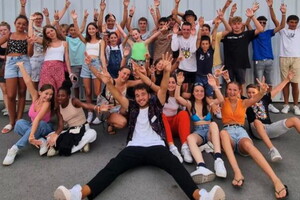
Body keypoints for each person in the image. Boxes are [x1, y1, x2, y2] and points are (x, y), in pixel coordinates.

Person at [53, 53, 225, 200]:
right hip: (134, 147)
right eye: (138, 95)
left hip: (156, 146)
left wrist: (167, 71)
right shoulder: (132, 106)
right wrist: (109, 83)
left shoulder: (156, 104)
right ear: (135, 97)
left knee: (175, 166)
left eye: (143, 94)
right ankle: (78, 193)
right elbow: (116, 95)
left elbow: (163, 89)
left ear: (148, 96)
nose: (141, 97)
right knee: (112, 167)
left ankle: (201, 196)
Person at [220, 80, 288, 199]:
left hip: (241, 131)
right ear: (226, 90)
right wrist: (215, 86)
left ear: (239, 91)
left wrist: (262, 91)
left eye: (235, 90)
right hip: (228, 133)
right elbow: (215, 94)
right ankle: (237, 172)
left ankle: (275, 180)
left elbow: (256, 98)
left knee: (248, 145)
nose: (231, 92)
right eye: (229, 89)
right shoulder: (223, 101)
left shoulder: (244, 102)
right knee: (223, 133)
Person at [175, 72, 226, 184]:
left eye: (201, 91)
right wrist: (179, 84)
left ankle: (218, 159)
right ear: (193, 92)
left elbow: (221, 99)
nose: (199, 93)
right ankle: (201, 166)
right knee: (190, 138)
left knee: (213, 124)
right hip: (198, 133)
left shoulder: (209, 104)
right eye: (196, 91)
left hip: (210, 132)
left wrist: (214, 86)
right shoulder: (189, 104)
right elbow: (177, 97)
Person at [2, 61, 55, 166]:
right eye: (46, 93)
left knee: (38, 124)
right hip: (33, 126)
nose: (48, 96)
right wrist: (21, 66)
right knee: (18, 123)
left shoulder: (47, 104)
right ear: (40, 92)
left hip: (46, 127)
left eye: (51, 94)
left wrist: (31, 136)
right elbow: (28, 81)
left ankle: (14, 149)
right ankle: (41, 141)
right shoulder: (35, 96)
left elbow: (37, 119)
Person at [246, 70, 300, 162]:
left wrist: (287, 79)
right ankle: (273, 150)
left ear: (258, 92)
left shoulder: (264, 98)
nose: (251, 95)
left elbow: (278, 89)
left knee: (294, 119)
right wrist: (227, 80)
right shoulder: (244, 102)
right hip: (256, 130)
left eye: (253, 92)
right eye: (249, 93)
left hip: (269, 128)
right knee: (257, 121)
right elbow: (233, 94)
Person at [247, 1, 286, 113]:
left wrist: (278, 11)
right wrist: (252, 13)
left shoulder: (269, 32)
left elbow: (282, 26)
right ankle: (256, 103)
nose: (262, 24)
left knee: (269, 83)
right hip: (258, 61)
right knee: (258, 85)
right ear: (257, 23)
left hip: (269, 61)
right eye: (261, 22)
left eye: (264, 22)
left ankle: (268, 103)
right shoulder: (254, 33)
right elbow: (247, 24)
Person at [46, 80, 99, 157]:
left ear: (68, 96)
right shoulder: (58, 108)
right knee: (50, 136)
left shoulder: (74, 101)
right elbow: (61, 125)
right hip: (70, 131)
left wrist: (98, 107)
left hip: (84, 128)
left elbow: (86, 105)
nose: (60, 98)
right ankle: (82, 145)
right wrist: (55, 135)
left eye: (63, 96)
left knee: (93, 133)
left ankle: (58, 149)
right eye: (58, 95)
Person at [0, 15, 34, 134]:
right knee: (10, 95)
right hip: (10, 64)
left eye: (24, 24)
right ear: (14, 23)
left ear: (26, 26)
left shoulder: (28, 36)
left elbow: (30, 54)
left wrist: (30, 43)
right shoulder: (9, 35)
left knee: (22, 93)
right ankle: (11, 121)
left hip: (24, 62)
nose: (21, 26)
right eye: (19, 23)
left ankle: (18, 120)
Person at [71, 10, 106, 124]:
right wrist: (75, 19)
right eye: (89, 29)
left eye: (93, 28)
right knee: (87, 91)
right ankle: (90, 113)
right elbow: (77, 32)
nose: (91, 30)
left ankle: (98, 114)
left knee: (97, 92)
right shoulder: (85, 41)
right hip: (86, 65)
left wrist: (104, 68)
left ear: (96, 30)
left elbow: (102, 56)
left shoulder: (101, 41)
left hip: (96, 65)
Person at [222, 7, 263, 92]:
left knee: (241, 84)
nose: (236, 26)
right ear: (232, 25)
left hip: (241, 64)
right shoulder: (226, 35)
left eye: (238, 24)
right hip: (228, 65)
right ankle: (229, 103)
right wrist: (231, 14)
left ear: (241, 24)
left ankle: (241, 101)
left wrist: (252, 16)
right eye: (234, 24)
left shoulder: (246, 34)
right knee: (229, 85)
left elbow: (260, 29)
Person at [39, 25, 71, 93]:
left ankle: (57, 104)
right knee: (48, 90)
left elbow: (67, 59)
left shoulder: (64, 43)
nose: (50, 33)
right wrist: (31, 20)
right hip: (47, 69)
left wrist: (70, 73)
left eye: (52, 30)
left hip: (59, 68)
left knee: (60, 90)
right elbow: (31, 37)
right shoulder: (46, 43)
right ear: (46, 35)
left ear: (55, 30)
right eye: (48, 33)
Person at [279, 14, 300, 115]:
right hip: (284, 57)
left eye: (296, 22)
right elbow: (275, 21)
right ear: (287, 22)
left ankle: (296, 105)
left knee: (295, 83)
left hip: (296, 58)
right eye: (291, 22)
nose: (294, 24)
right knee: (285, 83)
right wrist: (283, 13)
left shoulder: (298, 31)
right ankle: (286, 104)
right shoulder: (283, 30)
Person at [0, 21, 10, 116]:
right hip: (1, 67)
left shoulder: (13, 40)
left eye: (5, 30)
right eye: (1, 30)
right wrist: (2, 57)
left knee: (13, 89)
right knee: (4, 89)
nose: (3, 32)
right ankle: (8, 108)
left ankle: (13, 106)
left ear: (9, 30)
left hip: (12, 65)